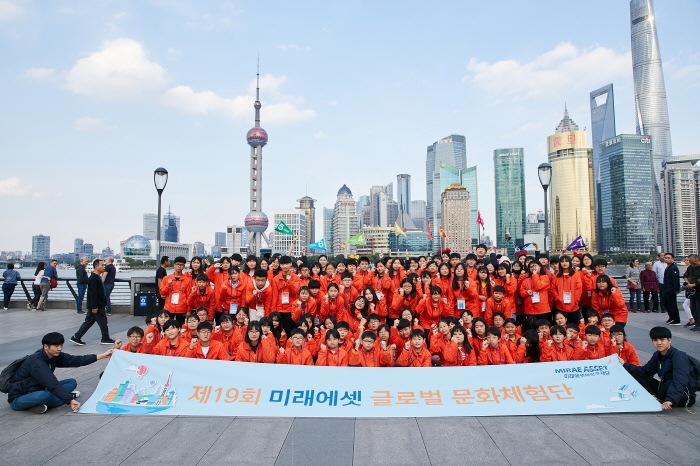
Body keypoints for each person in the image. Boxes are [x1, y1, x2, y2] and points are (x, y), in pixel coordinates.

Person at [7, 332, 114, 413]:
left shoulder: (54, 355)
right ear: (46, 346)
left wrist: (101, 356)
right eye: (56, 346)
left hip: (40, 388)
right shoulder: (37, 362)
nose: (59, 349)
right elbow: (51, 383)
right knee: (42, 396)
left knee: (71, 382)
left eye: (61, 345)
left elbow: (77, 360)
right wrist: (69, 400)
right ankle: (58, 399)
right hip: (19, 398)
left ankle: (45, 403)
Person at [623, 327, 697, 410]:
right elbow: (645, 371)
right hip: (665, 389)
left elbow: (680, 381)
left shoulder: (678, 356)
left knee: (665, 387)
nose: (659, 343)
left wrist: (671, 400)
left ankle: (657, 398)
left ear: (669, 340)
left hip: (684, 395)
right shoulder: (658, 355)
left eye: (662, 340)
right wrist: (624, 364)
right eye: (655, 340)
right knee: (636, 374)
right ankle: (654, 397)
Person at [70, 259, 115, 345]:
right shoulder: (94, 279)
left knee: (89, 321)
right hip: (97, 305)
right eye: (102, 265)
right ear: (96, 266)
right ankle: (105, 338)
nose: (104, 267)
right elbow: (92, 294)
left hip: (97, 304)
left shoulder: (96, 278)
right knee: (103, 322)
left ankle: (76, 337)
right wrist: (94, 306)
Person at [158, 256, 192, 324]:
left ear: (184, 266)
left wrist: (188, 310)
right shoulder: (166, 278)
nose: (179, 266)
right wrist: (168, 285)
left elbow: (189, 296)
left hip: (182, 308)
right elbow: (162, 292)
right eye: (178, 264)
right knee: (168, 326)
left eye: (181, 265)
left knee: (180, 326)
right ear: (174, 265)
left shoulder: (187, 280)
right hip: (169, 308)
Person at [661, 253, 681, 325]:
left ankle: (676, 320)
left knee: (672, 304)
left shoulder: (673, 268)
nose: (666, 259)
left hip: (671, 289)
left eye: (668, 258)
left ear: (672, 259)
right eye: (665, 258)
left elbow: (676, 279)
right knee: (664, 302)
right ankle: (671, 317)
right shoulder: (668, 267)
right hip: (666, 289)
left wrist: (676, 289)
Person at [683, 254, 700, 332]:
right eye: (691, 263)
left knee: (699, 308)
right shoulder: (690, 267)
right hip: (692, 291)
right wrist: (688, 282)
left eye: (694, 263)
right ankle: (696, 324)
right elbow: (685, 276)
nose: (692, 265)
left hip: (698, 288)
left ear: (698, 260)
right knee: (693, 308)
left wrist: (694, 284)